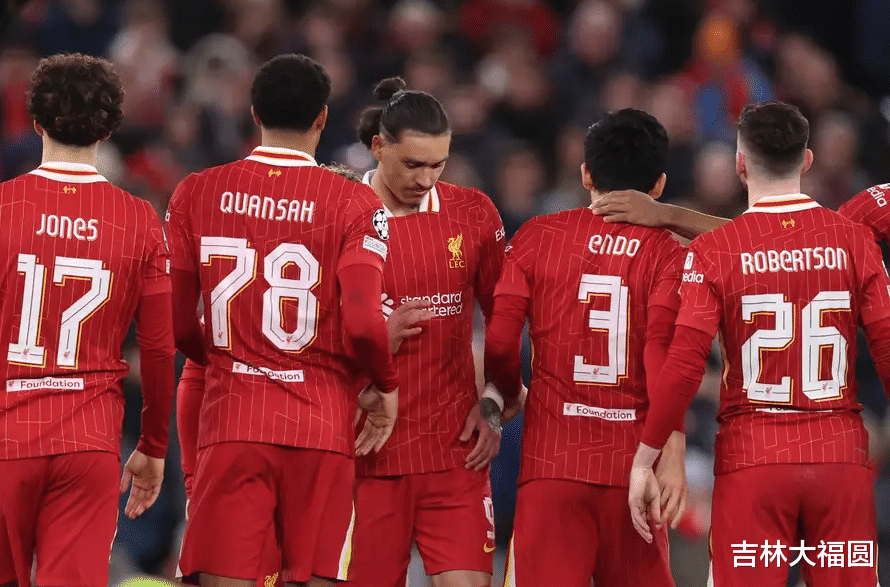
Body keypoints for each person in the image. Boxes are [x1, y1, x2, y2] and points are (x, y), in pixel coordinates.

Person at [0, 53, 175, 587]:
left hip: (6, 439)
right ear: (109, 128)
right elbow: (160, 348)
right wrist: (153, 445)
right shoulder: (140, 219)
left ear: (35, 122)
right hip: (88, 444)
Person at [628, 101, 890, 587]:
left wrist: (648, 455)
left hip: (754, 455)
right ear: (807, 160)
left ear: (740, 164)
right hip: (837, 453)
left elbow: (683, 366)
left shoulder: (714, 250)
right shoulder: (854, 239)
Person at [167, 53, 399, 587]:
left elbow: (176, 324)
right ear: (322, 117)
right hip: (320, 425)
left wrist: (230, 358)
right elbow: (364, 323)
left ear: (254, 113)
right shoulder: (355, 202)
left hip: (233, 421)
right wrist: (385, 385)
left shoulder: (197, 190)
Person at [483, 108, 687, 587]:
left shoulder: (537, 236)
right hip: (635, 469)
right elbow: (662, 358)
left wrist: (511, 392)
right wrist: (670, 448)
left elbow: (500, 341)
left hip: (553, 467)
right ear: (659, 185)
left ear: (586, 174)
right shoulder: (667, 253)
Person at [346, 77, 507, 587]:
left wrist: (494, 401)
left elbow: (506, 322)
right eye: (413, 164)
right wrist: (375, 336)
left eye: (438, 165)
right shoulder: (340, 212)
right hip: (364, 454)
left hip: (454, 454)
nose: (426, 179)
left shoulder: (473, 213)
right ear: (378, 147)